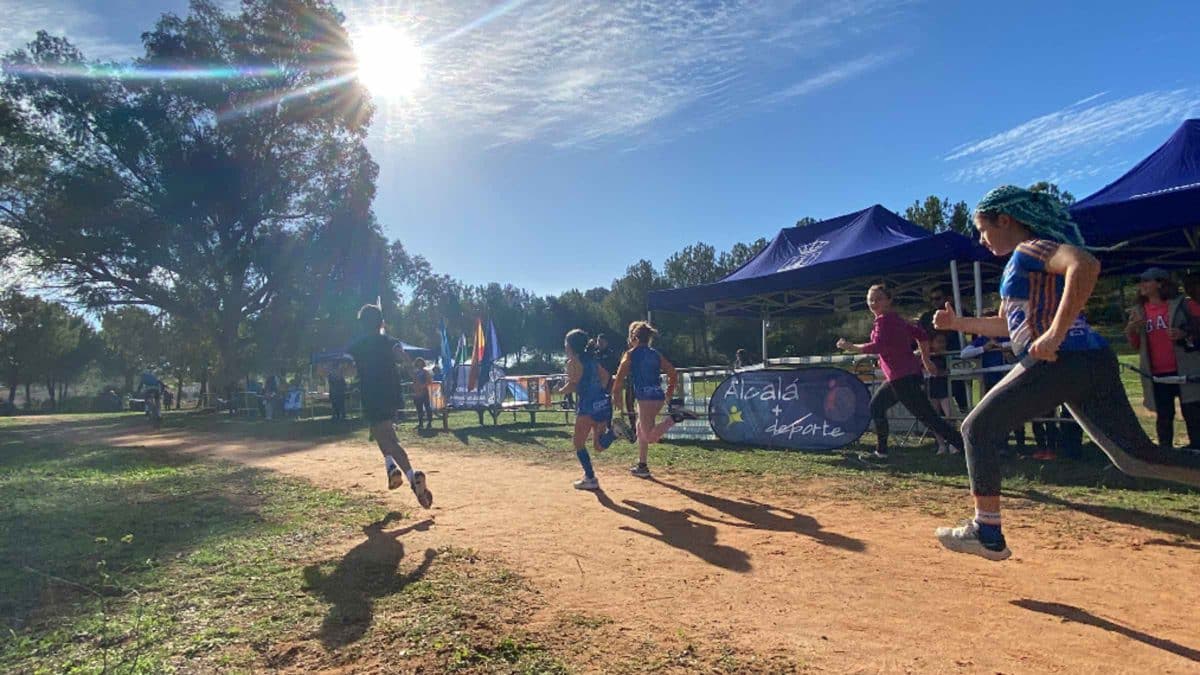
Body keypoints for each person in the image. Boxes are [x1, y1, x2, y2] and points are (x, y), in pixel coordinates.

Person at [933, 185, 1200, 561]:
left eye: (983, 229)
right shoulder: (1020, 264)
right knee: (1135, 458)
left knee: (976, 428)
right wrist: (957, 321)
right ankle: (986, 530)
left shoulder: (1031, 248)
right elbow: (1009, 327)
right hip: (1088, 358)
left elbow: (1085, 264)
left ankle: (986, 531)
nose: (981, 239)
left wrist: (1055, 334)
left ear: (1005, 220)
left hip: (1059, 360)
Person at [837, 284, 963, 460]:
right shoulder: (896, 319)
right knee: (877, 407)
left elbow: (877, 346)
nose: (873, 303)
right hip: (900, 377)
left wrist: (852, 347)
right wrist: (925, 360)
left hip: (902, 378)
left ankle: (968, 447)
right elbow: (923, 335)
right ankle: (881, 452)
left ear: (889, 300)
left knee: (929, 418)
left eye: (878, 299)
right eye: (870, 299)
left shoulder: (884, 321)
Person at [348, 304, 433, 509]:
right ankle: (397, 471)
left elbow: (349, 368)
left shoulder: (358, 345)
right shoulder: (388, 341)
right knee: (384, 434)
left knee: (384, 434)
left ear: (361, 324)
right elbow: (402, 355)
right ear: (382, 323)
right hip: (391, 393)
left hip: (371, 394)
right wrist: (414, 376)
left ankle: (406, 474)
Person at [1125, 267, 1200, 451]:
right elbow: (1135, 345)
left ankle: (1196, 450)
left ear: (1160, 283)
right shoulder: (1138, 311)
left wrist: (1184, 333)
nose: (1141, 285)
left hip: (1185, 369)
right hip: (1157, 373)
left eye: (1146, 280)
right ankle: (1165, 451)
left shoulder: (1184, 305)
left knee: (1193, 413)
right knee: (1164, 416)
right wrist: (1132, 329)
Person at [611, 321, 698, 479]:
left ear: (633, 337)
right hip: (657, 396)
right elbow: (673, 373)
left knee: (650, 437)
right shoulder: (655, 353)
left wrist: (616, 395)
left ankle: (675, 417)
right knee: (640, 429)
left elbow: (619, 377)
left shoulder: (631, 354)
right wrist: (669, 393)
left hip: (645, 399)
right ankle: (642, 465)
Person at [558, 329, 617, 490]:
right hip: (602, 403)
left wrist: (559, 391)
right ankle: (614, 433)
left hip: (587, 406)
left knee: (578, 443)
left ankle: (590, 477)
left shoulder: (573, 362)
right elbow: (606, 377)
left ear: (570, 346)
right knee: (598, 445)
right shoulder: (592, 360)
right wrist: (599, 391)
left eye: (565, 343)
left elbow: (573, 385)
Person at [919, 285, 971, 412]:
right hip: (936, 362)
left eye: (937, 298)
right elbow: (919, 337)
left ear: (949, 298)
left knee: (961, 394)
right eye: (931, 299)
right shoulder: (926, 317)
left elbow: (973, 330)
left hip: (956, 358)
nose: (934, 302)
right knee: (938, 398)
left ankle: (965, 419)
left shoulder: (959, 312)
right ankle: (943, 427)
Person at [925, 333, 955, 455]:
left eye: (944, 342)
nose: (942, 345)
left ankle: (953, 443)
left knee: (950, 416)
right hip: (932, 389)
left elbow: (949, 370)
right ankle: (941, 444)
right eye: (939, 342)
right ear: (931, 343)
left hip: (945, 389)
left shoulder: (948, 356)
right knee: (934, 417)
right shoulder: (927, 356)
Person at [411, 358, 433, 431]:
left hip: (424, 391)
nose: (419, 364)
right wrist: (415, 389)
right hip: (417, 393)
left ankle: (429, 422)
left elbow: (429, 381)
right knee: (419, 408)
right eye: (418, 362)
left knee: (427, 407)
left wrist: (422, 386)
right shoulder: (415, 372)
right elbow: (414, 381)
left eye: (420, 362)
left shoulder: (425, 372)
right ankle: (420, 423)